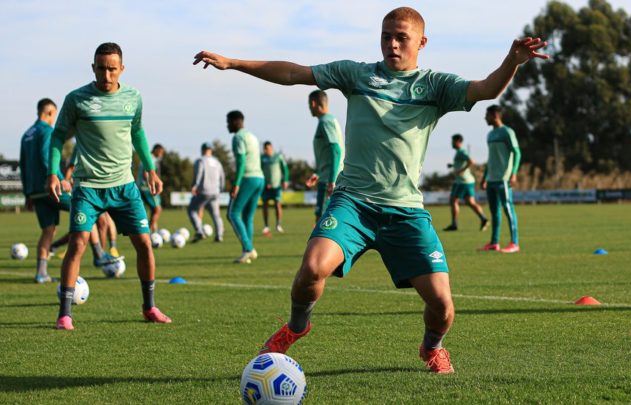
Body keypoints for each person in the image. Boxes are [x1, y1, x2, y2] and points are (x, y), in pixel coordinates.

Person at [194, 6, 547, 373]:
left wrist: (513, 61)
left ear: (421, 43)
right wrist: (233, 63)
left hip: (406, 211)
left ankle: (432, 347)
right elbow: (294, 73)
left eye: (401, 38)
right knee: (312, 269)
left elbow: (485, 89)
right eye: (386, 36)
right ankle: (298, 325)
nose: (392, 44)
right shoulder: (357, 74)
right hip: (353, 203)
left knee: (443, 307)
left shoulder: (436, 87)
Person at [47, 42, 172, 330]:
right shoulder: (76, 99)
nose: (106, 75)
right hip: (87, 187)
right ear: (93, 68)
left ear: (122, 69)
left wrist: (150, 169)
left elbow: (138, 132)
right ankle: (65, 314)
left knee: (144, 243)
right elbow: (58, 137)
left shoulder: (133, 97)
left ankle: (149, 307)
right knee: (78, 243)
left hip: (124, 186)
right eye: (101, 68)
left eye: (112, 69)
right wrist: (54, 173)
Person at [19, 98, 71, 283]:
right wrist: (61, 178)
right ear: (49, 112)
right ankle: (99, 256)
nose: (53, 119)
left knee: (48, 230)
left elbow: (23, 166)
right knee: (85, 210)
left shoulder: (26, 134)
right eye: (54, 115)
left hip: (35, 191)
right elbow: (45, 156)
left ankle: (41, 273)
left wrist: (27, 194)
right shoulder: (48, 131)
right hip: (51, 187)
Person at [64, 147, 124, 265]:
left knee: (103, 223)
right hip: (85, 189)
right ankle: (99, 254)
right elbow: (71, 167)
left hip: (100, 189)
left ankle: (100, 254)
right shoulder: (82, 144)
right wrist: (66, 181)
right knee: (89, 225)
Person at [479, 105, 521, 253]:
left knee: (508, 209)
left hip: (504, 178)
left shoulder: (507, 132)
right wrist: (484, 177)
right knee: (494, 212)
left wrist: (514, 173)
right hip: (491, 179)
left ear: (495, 115)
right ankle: (494, 243)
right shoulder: (490, 135)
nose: (485, 118)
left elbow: (517, 152)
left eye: (487, 115)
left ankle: (514, 243)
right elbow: (491, 158)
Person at [226, 110, 264, 264]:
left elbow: (241, 162)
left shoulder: (238, 137)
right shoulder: (252, 136)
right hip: (259, 177)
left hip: (248, 178)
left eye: (228, 122)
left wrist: (236, 184)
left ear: (235, 122)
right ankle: (249, 251)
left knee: (233, 214)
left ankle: (248, 249)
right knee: (248, 216)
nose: (227, 126)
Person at [305, 90, 344, 223]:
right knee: (322, 220)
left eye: (309, 104)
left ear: (313, 103)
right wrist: (317, 172)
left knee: (323, 223)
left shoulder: (326, 122)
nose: (309, 107)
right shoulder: (329, 120)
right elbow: (328, 152)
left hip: (329, 180)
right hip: (326, 177)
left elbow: (336, 150)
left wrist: (331, 180)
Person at [443, 134, 488, 231]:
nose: (451, 143)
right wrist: (453, 165)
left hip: (462, 181)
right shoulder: (459, 152)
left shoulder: (462, 152)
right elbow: (461, 163)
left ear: (458, 141)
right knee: (470, 202)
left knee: (454, 200)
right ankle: (483, 218)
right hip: (467, 181)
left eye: (453, 141)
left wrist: (461, 170)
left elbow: (471, 161)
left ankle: (454, 224)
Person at [188, 142, 225, 243]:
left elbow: (199, 174)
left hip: (204, 191)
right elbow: (222, 177)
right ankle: (219, 235)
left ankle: (199, 231)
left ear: (202, 150)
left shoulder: (200, 161)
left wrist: (195, 185)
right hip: (215, 192)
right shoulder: (217, 162)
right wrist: (221, 189)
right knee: (216, 215)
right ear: (211, 150)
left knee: (192, 210)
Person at [260, 141, 289, 236]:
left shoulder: (278, 156)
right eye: (265, 149)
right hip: (265, 186)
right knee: (265, 205)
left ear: (271, 148)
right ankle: (266, 225)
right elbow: (259, 170)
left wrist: (285, 180)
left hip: (276, 185)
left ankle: (278, 224)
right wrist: (264, 183)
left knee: (277, 204)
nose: (266, 150)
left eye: (267, 148)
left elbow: (285, 169)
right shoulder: (262, 158)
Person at [137, 143, 165, 232]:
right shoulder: (150, 159)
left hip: (141, 188)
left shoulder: (148, 158)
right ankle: (147, 231)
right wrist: (154, 184)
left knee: (153, 210)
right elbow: (146, 173)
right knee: (158, 209)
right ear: (156, 150)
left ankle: (154, 232)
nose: (162, 154)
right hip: (146, 188)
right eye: (161, 152)